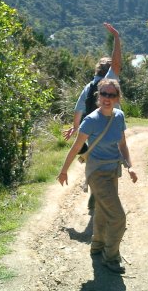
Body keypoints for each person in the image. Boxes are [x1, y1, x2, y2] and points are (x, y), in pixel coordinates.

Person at [57, 79, 138, 274]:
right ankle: (110, 257)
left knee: (102, 212)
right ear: (98, 96)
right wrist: (63, 170)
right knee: (118, 217)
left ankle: (97, 247)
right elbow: (77, 147)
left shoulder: (119, 116)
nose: (107, 98)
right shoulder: (91, 120)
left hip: (112, 172)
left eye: (111, 95)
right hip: (96, 173)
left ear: (117, 98)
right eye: (104, 94)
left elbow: (123, 145)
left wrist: (129, 166)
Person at [63, 22, 122, 210]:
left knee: (94, 162)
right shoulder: (109, 81)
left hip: (89, 131)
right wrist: (117, 38)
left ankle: (94, 192)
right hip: (110, 126)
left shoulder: (89, 86)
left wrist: (75, 127)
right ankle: (105, 199)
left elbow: (78, 108)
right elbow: (118, 63)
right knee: (111, 162)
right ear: (109, 70)